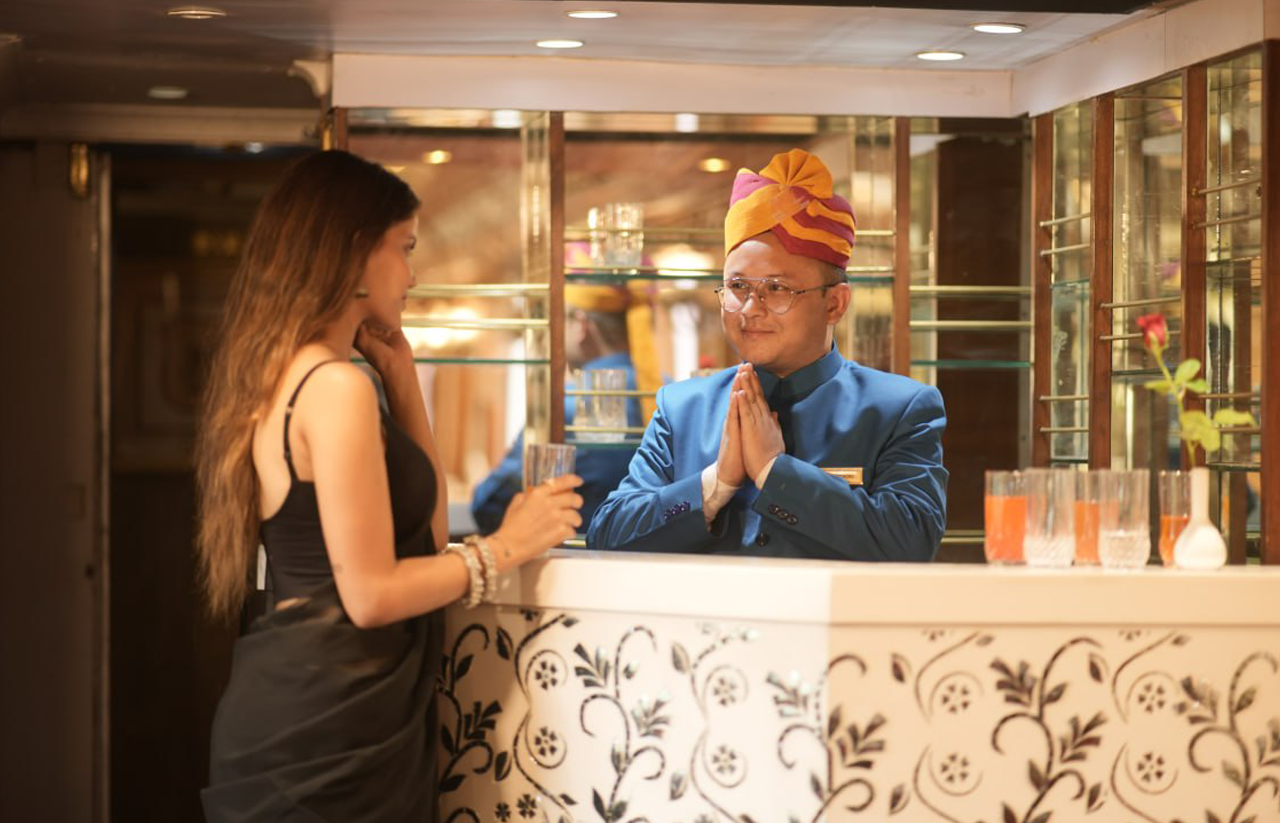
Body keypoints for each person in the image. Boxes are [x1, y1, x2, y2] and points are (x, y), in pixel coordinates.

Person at [196, 150, 583, 821]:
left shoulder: (301, 374)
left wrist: (402, 378)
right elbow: (372, 595)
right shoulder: (333, 387)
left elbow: (425, 539)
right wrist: (505, 548)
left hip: (336, 705)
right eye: (403, 248)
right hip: (325, 721)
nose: (412, 272)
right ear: (352, 252)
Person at [586, 148, 947, 560]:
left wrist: (776, 473)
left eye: (776, 289)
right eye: (738, 287)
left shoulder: (897, 409)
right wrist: (715, 484)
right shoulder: (683, 407)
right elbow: (608, 536)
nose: (750, 309)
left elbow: (912, 542)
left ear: (835, 304)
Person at [470, 246, 662, 534]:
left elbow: (490, 504)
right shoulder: (673, 394)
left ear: (581, 325)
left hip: (575, 566)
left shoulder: (570, 406)